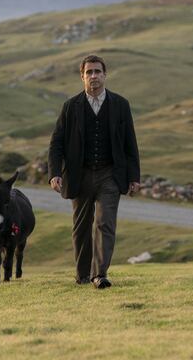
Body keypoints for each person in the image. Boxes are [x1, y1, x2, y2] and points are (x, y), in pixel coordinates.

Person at [48, 54, 141, 289]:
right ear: (82, 77)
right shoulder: (70, 107)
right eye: (89, 72)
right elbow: (56, 143)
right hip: (80, 175)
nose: (94, 76)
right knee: (81, 227)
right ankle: (82, 275)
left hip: (110, 174)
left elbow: (131, 143)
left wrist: (134, 177)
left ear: (105, 75)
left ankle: (100, 274)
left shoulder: (121, 105)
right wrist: (54, 173)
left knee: (105, 223)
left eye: (97, 71)